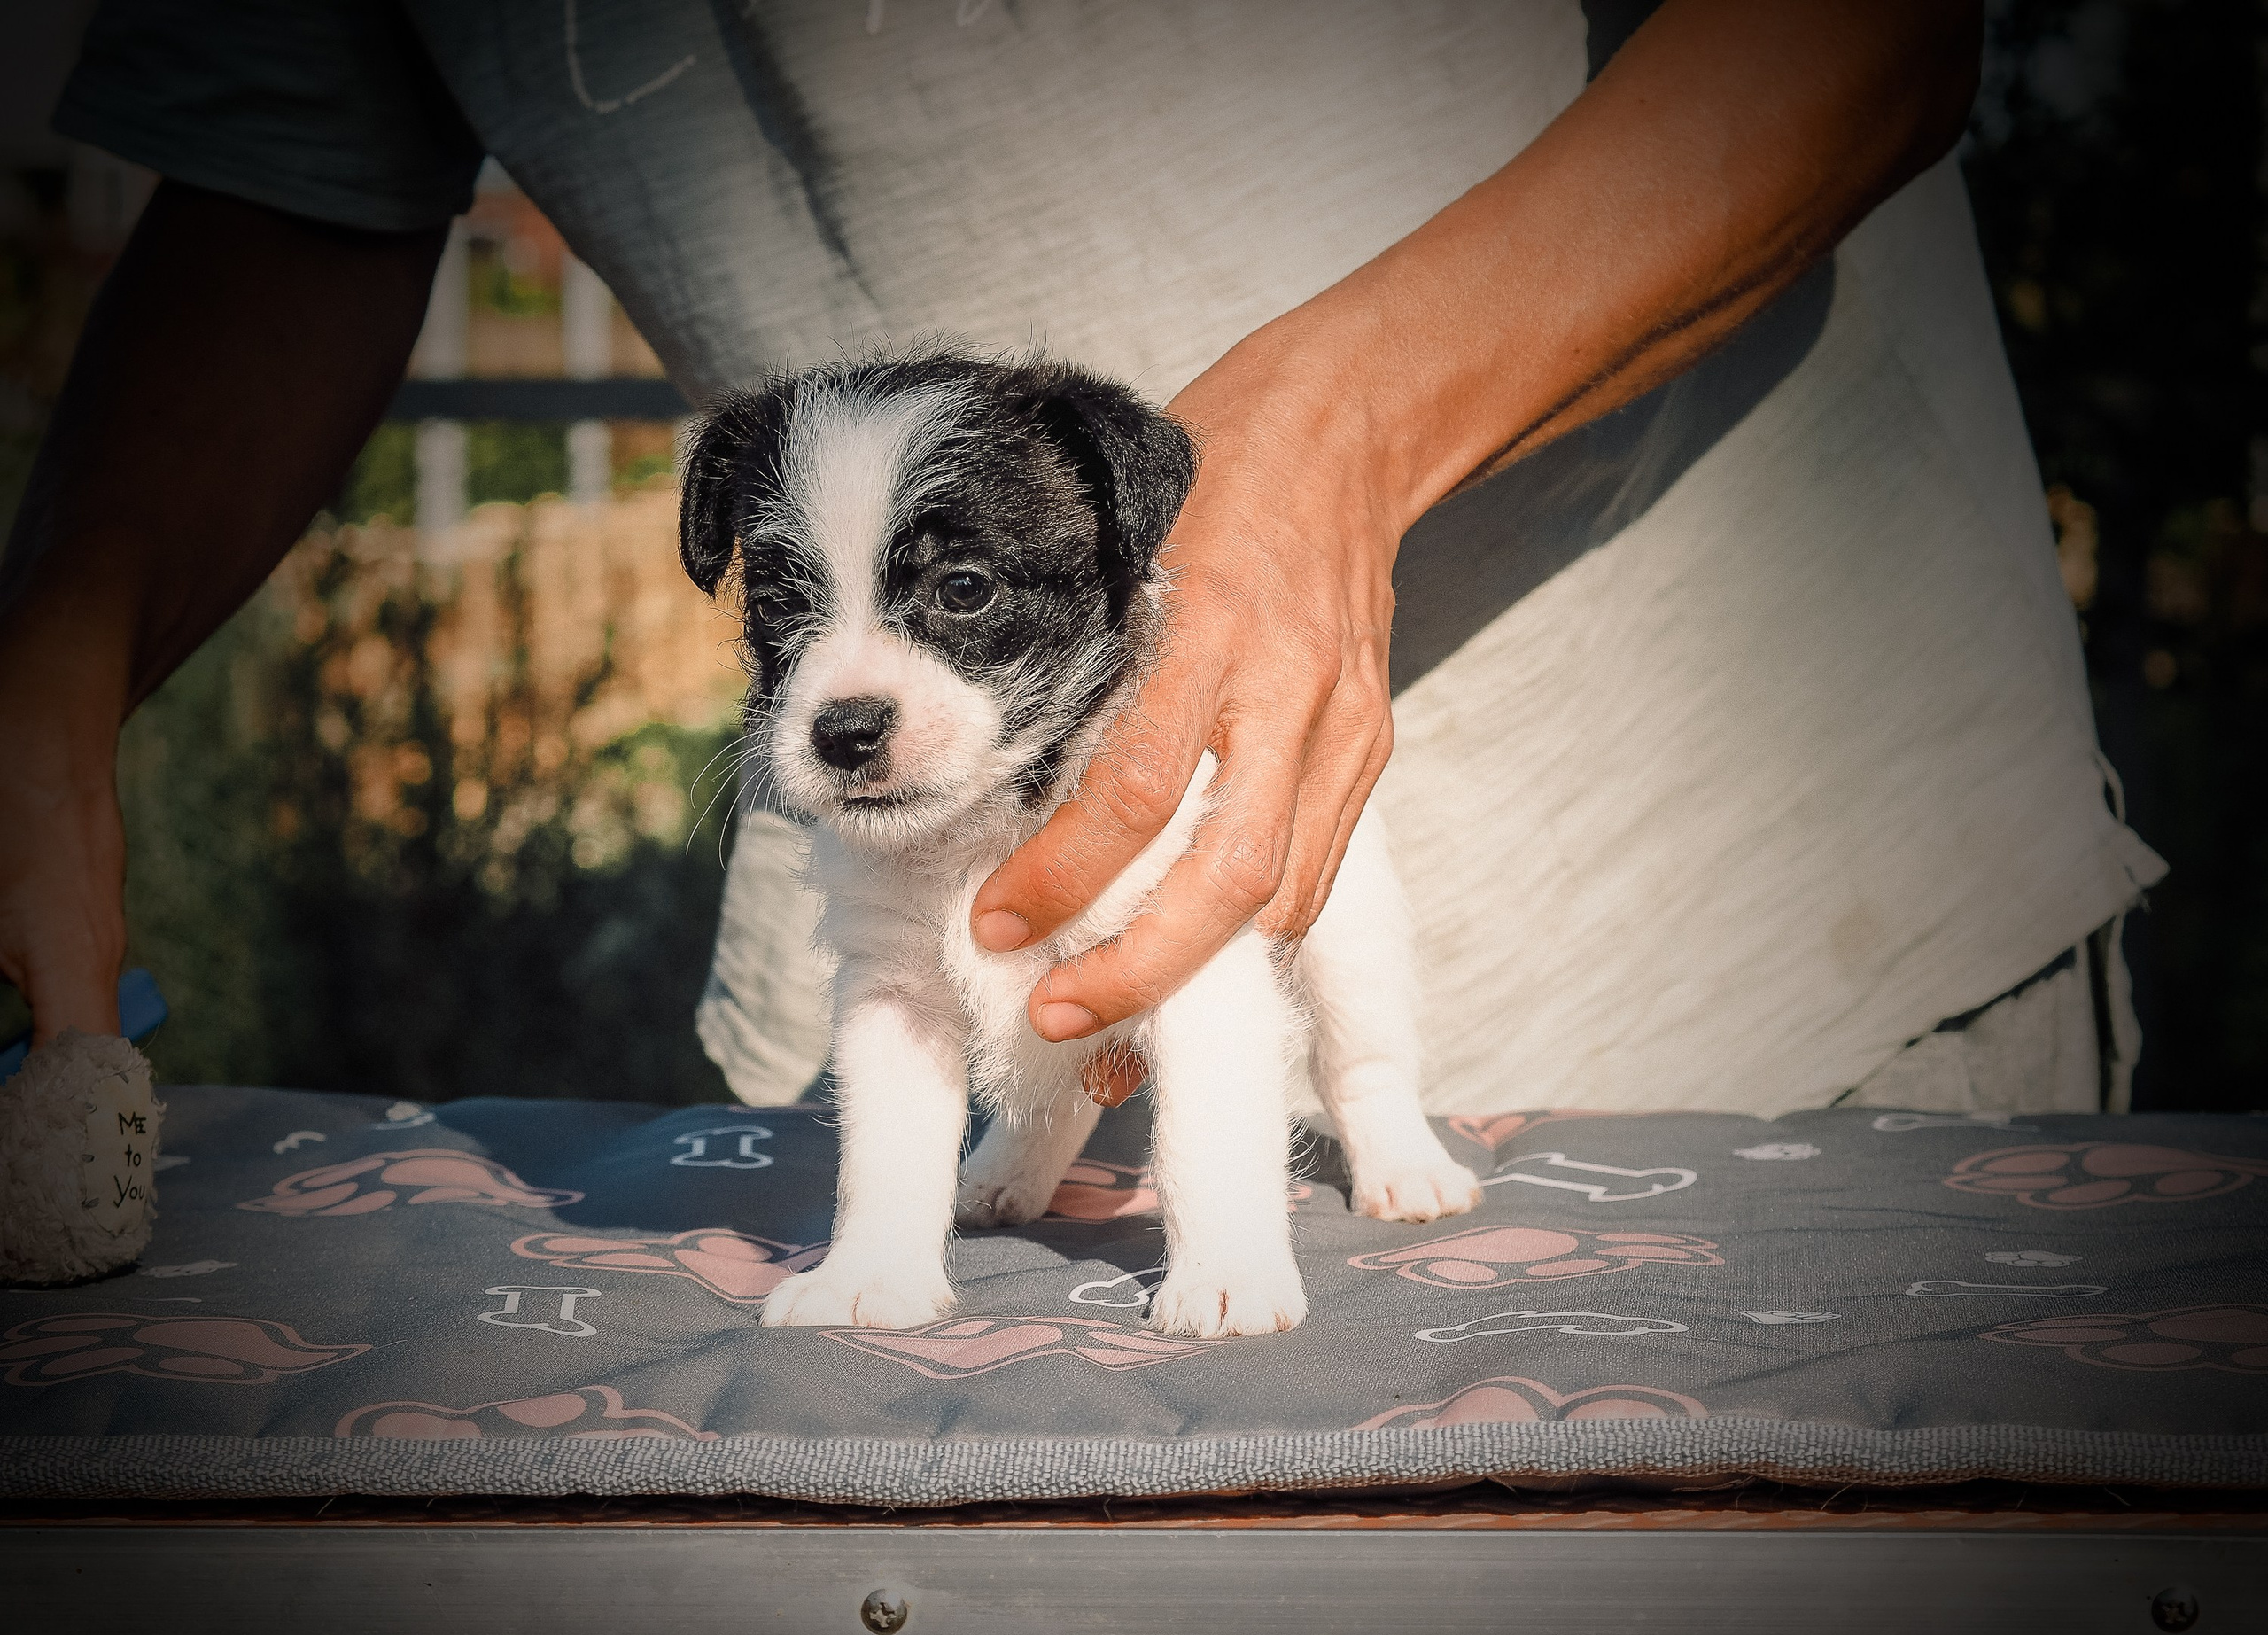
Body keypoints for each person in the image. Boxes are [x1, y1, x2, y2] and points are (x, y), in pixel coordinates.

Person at [0, 0, 2162, 1118]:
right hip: (914, 965)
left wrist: (1326, 444)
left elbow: (1871, 33)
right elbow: (294, 178)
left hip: (1739, 927)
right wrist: (51, 675)